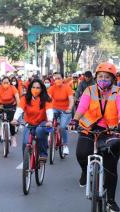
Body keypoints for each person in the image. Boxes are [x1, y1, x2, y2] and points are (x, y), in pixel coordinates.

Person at [69, 62, 120, 211]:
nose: (103, 79)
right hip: (89, 128)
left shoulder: (117, 92)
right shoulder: (89, 90)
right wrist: (75, 120)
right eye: (100, 76)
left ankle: (110, 200)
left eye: (107, 77)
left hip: (111, 131)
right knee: (81, 154)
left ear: (112, 79)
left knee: (111, 166)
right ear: (96, 77)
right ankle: (85, 171)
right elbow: (82, 107)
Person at [11, 79, 53, 161]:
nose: (35, 90)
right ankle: (26, 162)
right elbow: (20, 109)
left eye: (38, 88)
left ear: (41, 89)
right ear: (30, 88)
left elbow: (49, 110)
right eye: (33, 87)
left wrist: (50, 121)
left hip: (42, 123)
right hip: (29, 124)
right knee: (25, 142)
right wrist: (15, 119)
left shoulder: (46, 98)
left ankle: (43, 154)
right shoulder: (25, 98)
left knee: (39, 131)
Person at [48, 72, 74, 155]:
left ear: (62, 79)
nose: (57, 80)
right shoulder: (51, 88)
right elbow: (48, 99)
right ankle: (49, 135)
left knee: (62, 127)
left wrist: (70, 108)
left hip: (65, 110)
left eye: (59, 78)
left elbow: (71, 100)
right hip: (54, 108)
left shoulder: (67, 88)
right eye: (55, 79)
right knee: (48, 121)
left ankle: (65, 146)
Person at [0, 76, 20, 146]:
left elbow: (17, 97)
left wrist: (18, 106)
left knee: (11, 121)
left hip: (11, 105)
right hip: (1, 105)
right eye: (4, 82)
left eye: (7, 82)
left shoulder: (12, 88)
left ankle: (13, 137)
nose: (6, 84)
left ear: (9, 83)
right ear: (1, 83)